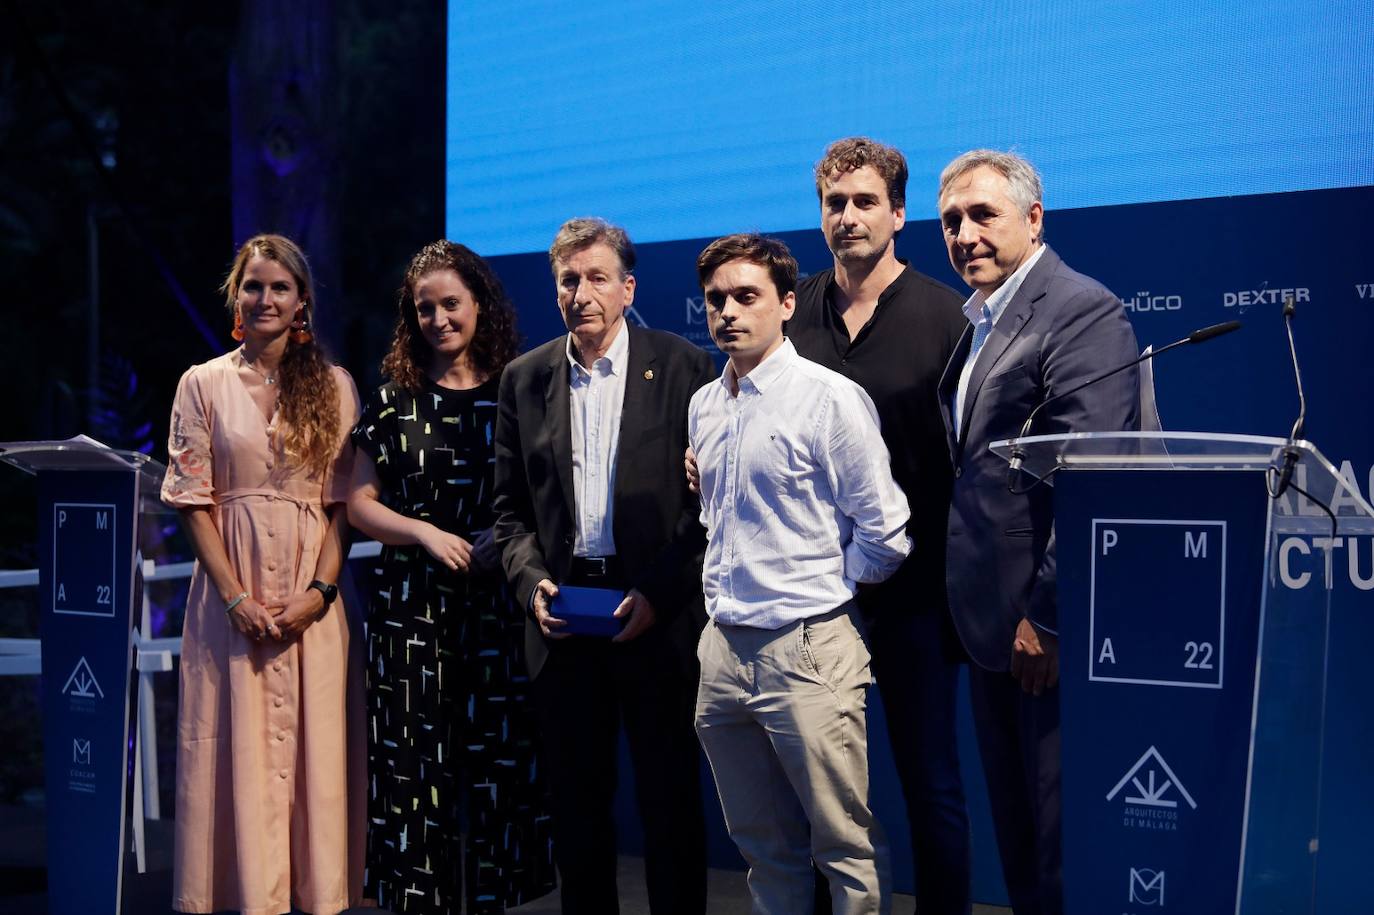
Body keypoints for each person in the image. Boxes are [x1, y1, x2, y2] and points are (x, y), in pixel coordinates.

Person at [934, 150, 1140, 915]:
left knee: (1060, 855)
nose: (964, 234)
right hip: (991, 626)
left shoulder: (1079, 308)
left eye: (982, 215)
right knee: (1022, 848)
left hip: (1047, 631)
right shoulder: (979, 322)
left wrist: (1049, 614)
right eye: (951, 220)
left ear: (1033, 218)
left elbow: (1096, 472)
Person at [492, 217, 713, 914]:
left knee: (669, 803)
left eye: (596, 278)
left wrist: (659, 591)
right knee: (579, 812)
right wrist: (531, 584)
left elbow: (704, 508)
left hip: (656, 613)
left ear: (628, 288)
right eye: (568, 280)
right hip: (563, 624)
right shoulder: (523, 379)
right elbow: (509, 513)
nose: (581, 292)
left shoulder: (684, 365)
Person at [690, 233, 912, 915]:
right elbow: (718, 520)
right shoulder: (704, 405)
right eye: (716, 299)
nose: (728, 311)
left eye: (746, 296)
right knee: (763, 850)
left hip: (807, 648)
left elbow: (886, 533)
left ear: (787, 303)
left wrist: (819, 588)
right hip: (723, 650)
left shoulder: (829, 399)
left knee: (845, 848)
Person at [788, 137, 971, 914]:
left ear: (899, 213)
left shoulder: (948, 318)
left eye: (865, 201)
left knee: (931, 784)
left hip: (917, 597)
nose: (848, 216)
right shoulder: (790, 313)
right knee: (825, 797)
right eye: (835, 203)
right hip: (813, 598)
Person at [347, 240, 556, 913]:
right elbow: (357, 504)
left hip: (499, 605)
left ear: (479, 304)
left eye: (450, 304)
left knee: (499, 766)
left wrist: (505, 536)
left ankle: (497, 899)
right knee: (413, 771)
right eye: (424, 308)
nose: (438, 318)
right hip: (411, 609)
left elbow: (549, 492)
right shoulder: (389, 403)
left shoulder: (520, 390)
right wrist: (425, 533)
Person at [162, 233, 365, 914]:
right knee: (234, 753)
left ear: (302, 299)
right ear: (236, 295)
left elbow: (344, 505)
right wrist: (235, 596)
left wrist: (320, 592)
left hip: (313, 603)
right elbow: (192, 501)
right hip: (232, 605)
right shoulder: (202, 382)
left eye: (280, 287)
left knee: (313, 759)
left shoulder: (335, 386)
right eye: (254, 285)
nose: (266, 298)